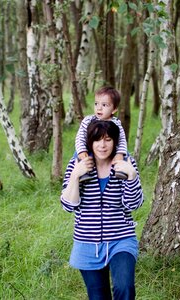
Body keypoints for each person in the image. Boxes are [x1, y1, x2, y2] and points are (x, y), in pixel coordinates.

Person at [61, 120, 144, 300]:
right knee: (98, 296)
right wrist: (75, 175)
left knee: (125, 287)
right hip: (87, 243)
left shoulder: (125, 163)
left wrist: (132, 176)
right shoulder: (76, 164)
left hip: (121, 239)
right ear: (90, 142)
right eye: (97, 140)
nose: (102, 145)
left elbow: (134, 205)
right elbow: (68, 205)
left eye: (108, 139)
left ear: (115, 142)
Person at [75, 86, 128, 180]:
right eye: (96, 104)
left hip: (110, 151)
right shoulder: (88, 120)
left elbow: (122, 140)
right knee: (79, 156)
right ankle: (84, 173)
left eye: (104, 105)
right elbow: (80, 137)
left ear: (114, 109)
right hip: (89, 149)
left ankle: (120, 171)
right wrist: (82, 151)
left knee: (124, 155)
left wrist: (120, 153)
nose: (99, 108)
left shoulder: (116, 123)